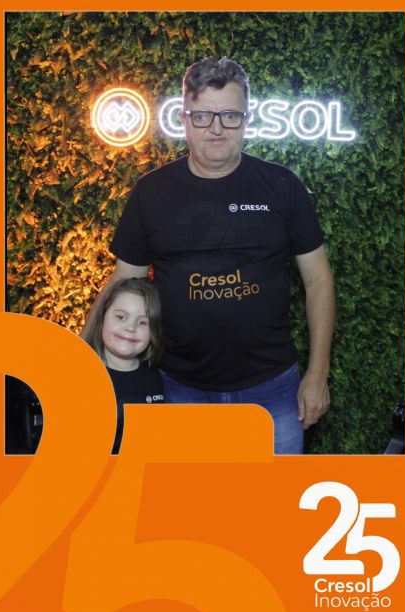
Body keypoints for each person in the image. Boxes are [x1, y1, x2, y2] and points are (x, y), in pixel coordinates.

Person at [82, 57, 335, 454]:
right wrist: (82, 363)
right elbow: (122, 282)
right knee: (188, 495)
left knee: (277, 496)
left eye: (229, 115)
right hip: (178, 388)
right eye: (202, 116)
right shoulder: (152, 192)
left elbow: (318, 281)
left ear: (247, 119)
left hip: (273, 389)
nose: (216, 128)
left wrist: (318, 375)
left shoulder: (282, 186)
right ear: (183, 118)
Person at [84, 277, 164, 453]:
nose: (130, 328)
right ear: (102, 318)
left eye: (142, 322)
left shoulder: (158, 378)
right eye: (121, 317)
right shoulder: (82, 378)